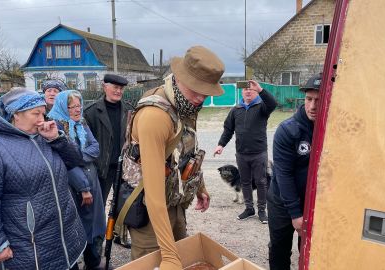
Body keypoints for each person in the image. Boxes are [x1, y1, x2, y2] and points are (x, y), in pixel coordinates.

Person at [125, 46, 224, 270]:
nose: (200, 98)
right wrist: (169, 255)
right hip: (148, 209)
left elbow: (187, 150)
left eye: (205, 92)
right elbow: (153, 194)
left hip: (174, 199)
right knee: (155, 263)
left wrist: (200, 187)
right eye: (196, 89)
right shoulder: (155, 116)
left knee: (184, 258)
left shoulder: (184, 103)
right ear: (180, 77)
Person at [0, 88, 86, 270]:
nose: (43, 118)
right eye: (36, 113)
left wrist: (57, 139)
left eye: (43, 113)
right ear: (16, 114)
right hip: (30, 246)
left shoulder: (44, 137)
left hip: (64, 237)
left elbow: (75, 161)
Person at [267, 74, 321, 270]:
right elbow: (284, 175)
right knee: (279, 249)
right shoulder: (288, 130)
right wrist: (296, 213)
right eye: (309, 99)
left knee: (308, 249)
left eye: (318, 99)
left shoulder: (331, 129)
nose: (312, 106)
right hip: (283, 202)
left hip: (312, 203)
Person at [48, 90, 106, 270]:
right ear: (62, 107)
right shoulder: (56, 127)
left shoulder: (81, 123)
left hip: (91, 178)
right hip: (73, 185)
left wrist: (76, 155)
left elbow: (96, 148)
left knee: (95, 223)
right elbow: (65, 162)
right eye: (71, 106)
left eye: (78, 106)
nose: (76, 110)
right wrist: (83, 187)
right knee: (75, 225)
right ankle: (74, 263)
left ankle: (93, 262)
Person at [213, 80, 277, 223]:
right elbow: (228, 129)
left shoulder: (262, 107)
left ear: (255, 92)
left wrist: (260, 89)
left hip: (259, 153)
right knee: (245, 182)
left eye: (251, 90)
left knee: (261, 182)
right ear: (242, 92)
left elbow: (273, 103)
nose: (248, 91)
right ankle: (249, 208)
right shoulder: (236, 110)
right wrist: (220, 145)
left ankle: (261, 211)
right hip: (241, 154)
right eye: (245, 90)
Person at [84, 73, 133, 249]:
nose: (118, 91)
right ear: (104, 87)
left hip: (124, 168)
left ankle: (119, 236)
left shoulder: (129, 110)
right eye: (115, 87)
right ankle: (96, 247)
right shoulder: (91, 112)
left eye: (121, 89)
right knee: (98, 209)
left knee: (124, 205)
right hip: (100, 170)